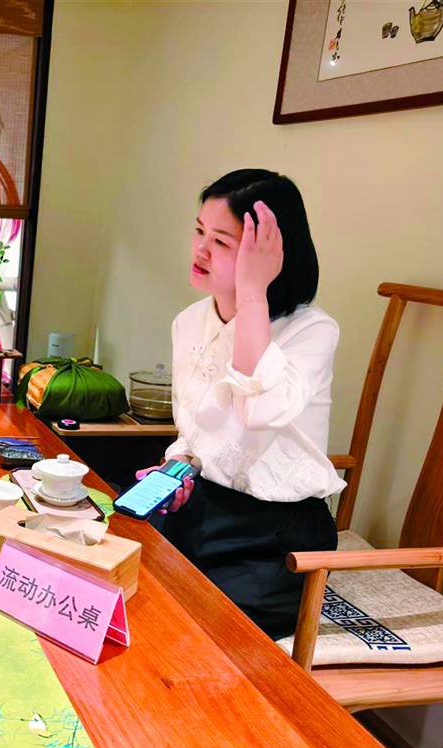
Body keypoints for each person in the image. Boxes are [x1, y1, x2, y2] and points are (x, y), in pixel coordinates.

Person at [139, 168, 345, 639]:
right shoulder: (189, 321)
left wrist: (253, 293)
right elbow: (195, 430)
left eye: (222, 241)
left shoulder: (313, 331)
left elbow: (258, 412)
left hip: (277, 536)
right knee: (130, 588)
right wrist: (178, 470)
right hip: (203, 510)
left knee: (194, 636)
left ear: (270, 253)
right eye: (199, 231)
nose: (200, 250)